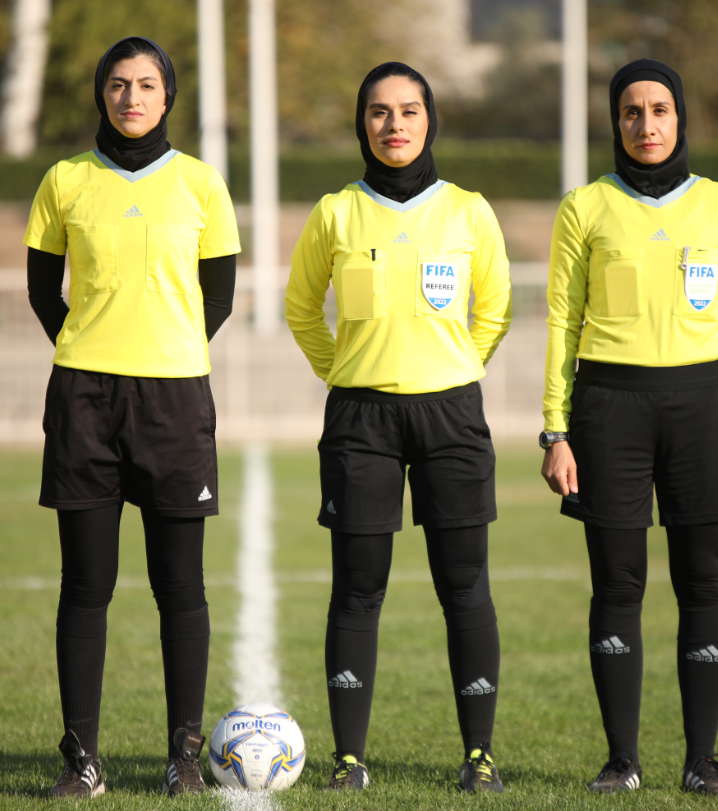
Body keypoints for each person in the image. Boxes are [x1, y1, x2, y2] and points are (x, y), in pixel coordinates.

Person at [541, 59, 718, 796]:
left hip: (703, 408)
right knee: (617, 586)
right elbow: (562, 322)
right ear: (615, 121)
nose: (645, 125)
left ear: (680, 117)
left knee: (703, 584)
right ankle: (622, 761)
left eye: (659, 110)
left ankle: (702, 761)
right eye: (631, 112)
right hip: (607, 409)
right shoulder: (584, 206)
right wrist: (555, 430)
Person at [285, 62, 512, 794]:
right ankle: (349, 759)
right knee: (357, 588)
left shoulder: (469, 210)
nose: (395, 125)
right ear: (363, 123)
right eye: (379, 112)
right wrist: (345, 371)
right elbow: (300, 309)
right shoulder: (336, 212)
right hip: (360, 418)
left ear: (429, 118)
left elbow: (495, 310)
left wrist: (454, 367)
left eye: (409, 110)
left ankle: (479, 757)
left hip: (452, 414)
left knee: (465, 586)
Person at [23, 36, 240, 798]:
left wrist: (164, 350)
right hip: (83, 398)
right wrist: (91, 348)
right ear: (101, 94)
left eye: (147, 84)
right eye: (118, 84)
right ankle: (81, 759)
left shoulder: (202, 184)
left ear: (168, 95)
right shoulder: (65, 180)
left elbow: (218, 298)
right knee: (86, 584)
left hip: (176, 400)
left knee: (180, 585)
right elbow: (43, 290)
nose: (132, 97)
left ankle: (184, 756)